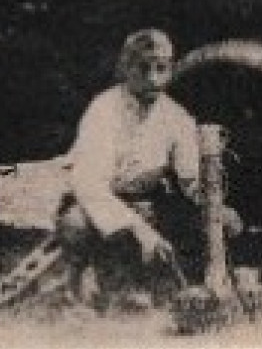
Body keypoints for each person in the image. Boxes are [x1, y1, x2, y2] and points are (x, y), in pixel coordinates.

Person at [55, 29, 226, 308]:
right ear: (125, 68)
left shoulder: (176, 116)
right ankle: (75, 289)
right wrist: (139, 230)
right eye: (143, 68)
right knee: (75, 223)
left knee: (194, 225)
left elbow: (189, 179)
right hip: (99, 206)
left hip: (147, 206)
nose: (153, 79)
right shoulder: (103, 110)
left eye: (161, 69)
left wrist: (213, 203)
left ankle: (146, 283)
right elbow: (88, 185)